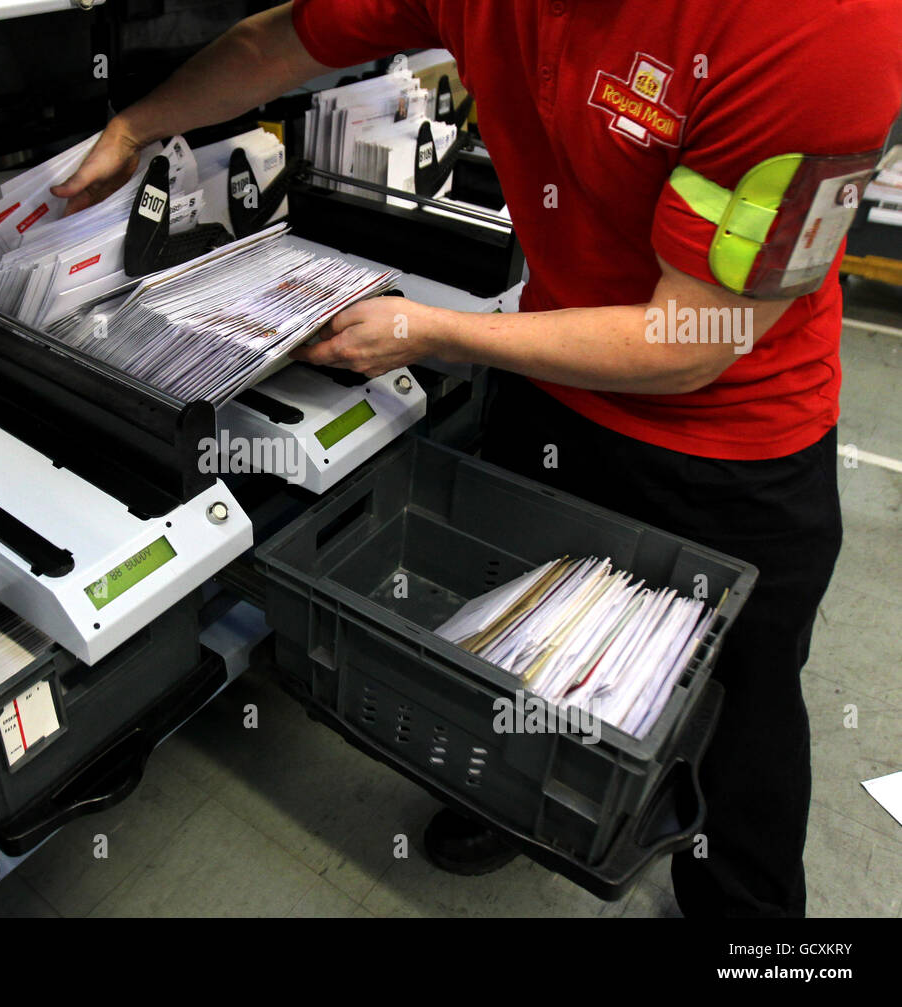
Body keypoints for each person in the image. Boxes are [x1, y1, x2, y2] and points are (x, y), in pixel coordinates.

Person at [51, 1, 902, 917]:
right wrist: (136, 125)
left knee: (738, 712)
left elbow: (695, 338)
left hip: (733, 440)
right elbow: (281, 43)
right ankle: (513, 802)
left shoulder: (822, 28)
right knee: (514, 634)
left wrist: (435, 332)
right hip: (556, 377)